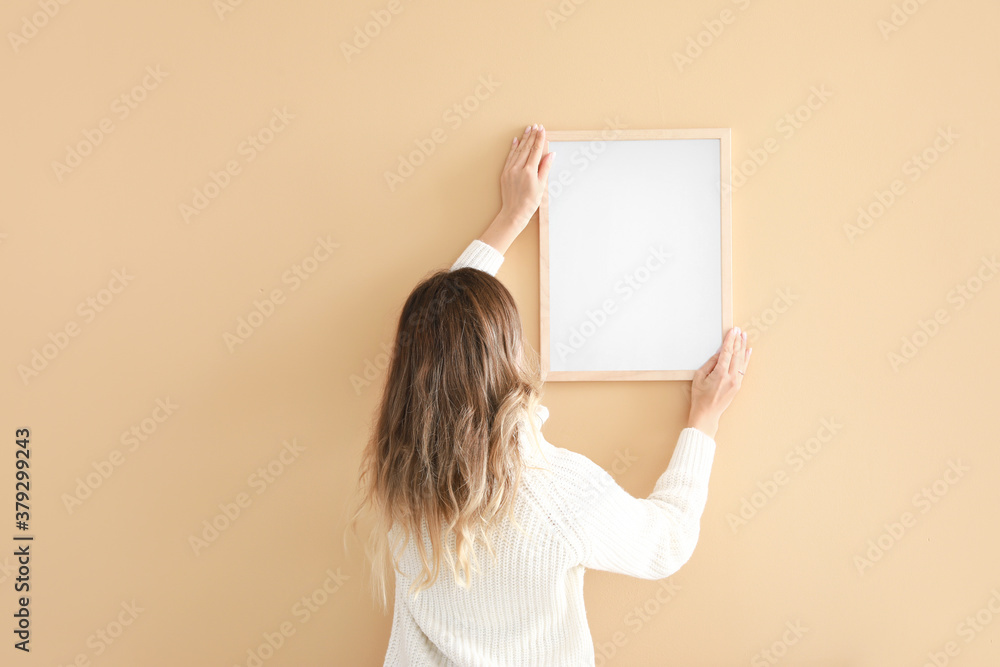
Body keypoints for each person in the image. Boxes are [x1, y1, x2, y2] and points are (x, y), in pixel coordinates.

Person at [348, 124, 751, 666]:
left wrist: (510, 219)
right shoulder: (554, 493)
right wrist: (704, 420)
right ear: (509, 358)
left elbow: (444, 340)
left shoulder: (403, 487)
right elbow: (667, 542)